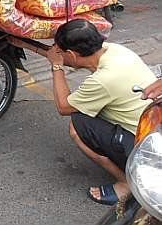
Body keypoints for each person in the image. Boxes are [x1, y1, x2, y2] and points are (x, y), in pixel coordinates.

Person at [44, 19, 156, 205]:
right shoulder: (116, 50)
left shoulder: (103, 80)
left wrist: (57, 65)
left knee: (77, 125)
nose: (59, 55)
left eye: (61, 52)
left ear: (71, 54)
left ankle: (127, 184)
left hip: (146, 149)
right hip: (154, 130)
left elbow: (63, 107)